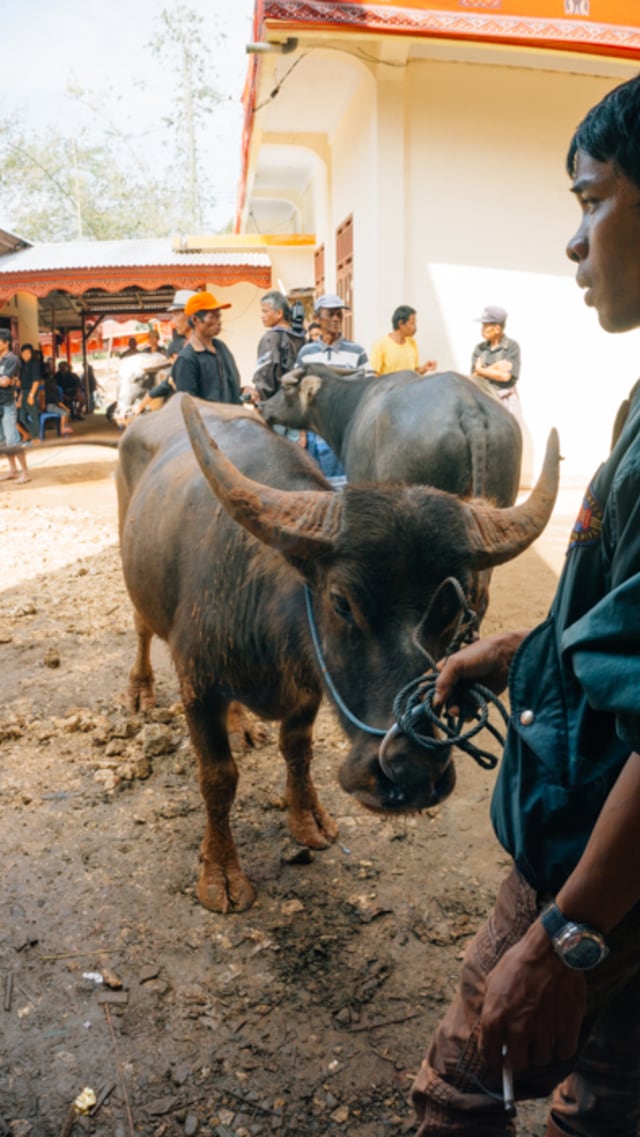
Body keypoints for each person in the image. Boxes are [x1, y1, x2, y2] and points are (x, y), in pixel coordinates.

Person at [411, 73, 640, 1137]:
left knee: (467, 1084)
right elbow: (614, 611)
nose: (573, 241)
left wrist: (563, 938)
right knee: (607, 1093)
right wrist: (511, 651)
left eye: (589, 198)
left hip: (590, 849)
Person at [295, 292, 369, 477]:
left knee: (344, 488)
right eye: (331, 314)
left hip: (345, 434)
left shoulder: (356, 352)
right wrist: (301, 433)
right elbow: (299, 394)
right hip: (315, 433)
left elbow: (368, 388)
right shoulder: (306, 353)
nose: (336, 319)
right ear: (317, 318)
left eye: (339, 314)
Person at [173, 291, 242, 405]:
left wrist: (242, 391)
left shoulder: (221, 348)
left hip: (231, 419)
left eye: (219, 316)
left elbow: (229, 388)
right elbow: (188, 407)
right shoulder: (187, 359)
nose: (219, 322)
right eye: (213, 317)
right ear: (195, 320)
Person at [252, 290, 306, 403]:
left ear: (279, 313)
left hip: (276, 407)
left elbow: (265, 377)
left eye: (265, 311)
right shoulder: (301, 338)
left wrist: (260, 404)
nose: (262, 316)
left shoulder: (270, 338)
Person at [471, 304, 522, 421]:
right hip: (485, 399)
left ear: (497, 328)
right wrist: (496, 367)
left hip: (506, 399)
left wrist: (481, 370)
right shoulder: (479, 349)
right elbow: (473, 377)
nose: (482, 329)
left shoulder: (511, 346)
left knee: (516, 430)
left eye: (485, 325)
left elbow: (505, 376)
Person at [370, 305, 437, 375]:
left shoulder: (412, 342)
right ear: (401, 323)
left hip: (410, 386)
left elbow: (414, 374)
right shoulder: (380, 344)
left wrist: (425, 368)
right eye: (412, 324)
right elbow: (374, 376)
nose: (414, 328)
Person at [0, 329, 30, 484]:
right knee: (3, 441)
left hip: (7, 404)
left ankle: (25, 472)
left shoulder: (12, 360)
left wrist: (9, 381)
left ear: (6, 343)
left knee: (13, 439)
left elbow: (5, 382)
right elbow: (4, 381)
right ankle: (12, 470)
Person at [16, 343, 42, 442]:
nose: (26, 355)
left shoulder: (34, 364)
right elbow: (22, 383)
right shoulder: (22, 365)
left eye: (28, 353)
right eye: (24, 353)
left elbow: (36, 381)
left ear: (32, 354)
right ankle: (32, 434)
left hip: (31, 391)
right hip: (24, 392)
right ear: (21, 354)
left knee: (33, 415)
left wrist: (31, 395)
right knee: (21, 417)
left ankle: (36, 438)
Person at [165, 290, 196, 360]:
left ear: (192, 315)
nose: (173, 321)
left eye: (177, 314)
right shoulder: (187, 343)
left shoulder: (200, 346)